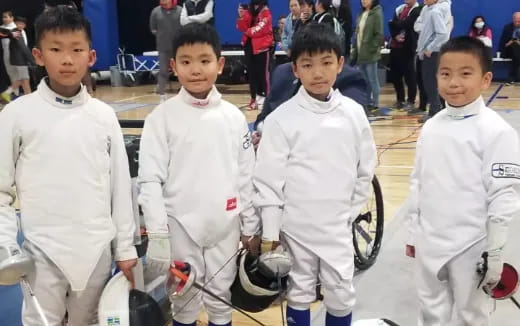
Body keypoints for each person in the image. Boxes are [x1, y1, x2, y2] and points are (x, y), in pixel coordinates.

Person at [0, 6, 137, 325]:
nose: (66, 59)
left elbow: (121, 186)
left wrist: (126, 248)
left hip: (96, 251)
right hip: (41, 252)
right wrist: (6, 244)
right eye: (56, 49)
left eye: (76, 50)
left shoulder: (103, 116)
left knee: (89, 321)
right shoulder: (17, 115)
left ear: (90, 56)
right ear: (37, 54)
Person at [253, 23, 376, 326]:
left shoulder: (353, 113)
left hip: (336, 226)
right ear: (295, 69)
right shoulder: (281, 119)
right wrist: (270, 233)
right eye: (308, 65)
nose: (318, 73)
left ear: (340, 64)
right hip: (296, 229)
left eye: (326, 63)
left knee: (341, 292)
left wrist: (348, 213)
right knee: (299, 291)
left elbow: (365, 170)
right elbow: (268, 182)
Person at [138, 23, 260, 326]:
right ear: (173, 66)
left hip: (225, 222)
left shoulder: (233, 117)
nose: (195, 69)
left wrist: (250, 226)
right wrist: (157, 234)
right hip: (180, 224)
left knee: (221, 299)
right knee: (184, 300)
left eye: (204, 60)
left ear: (219, 64)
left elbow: (246, 174)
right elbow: (150, 179)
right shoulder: (161, 119)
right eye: (186, 61)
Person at [406, 36, 520, 326]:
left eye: (465, 73)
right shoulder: (432, 127)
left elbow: (504, 195)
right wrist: (412, 233)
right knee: (430, 313)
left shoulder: (497, 132)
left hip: (471, 245)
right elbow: (418, 181)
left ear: (485, 79)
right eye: (445, 74)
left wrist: (494, 250)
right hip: (430, 241)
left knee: (471, 316)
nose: (454, 82)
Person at [414, 0, 449, 123]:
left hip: (433, 53)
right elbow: (417, 25)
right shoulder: (428, 9)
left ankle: (434, 112)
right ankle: (436, 110)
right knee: (431, 83)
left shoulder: (435, 12)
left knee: (430, 84)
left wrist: (430, 47)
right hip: (432, 52)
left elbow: (442, 33)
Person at [236, 0, 273, 111]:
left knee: (263, 76)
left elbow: (259, 30)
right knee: (252, 75)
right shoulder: (250, 10)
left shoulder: (266, 12)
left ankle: (265, 101)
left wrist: (248, 31)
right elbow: (241, 27)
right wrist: (241, 16)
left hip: (261, 48)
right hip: (249, 47)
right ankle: (254, 100)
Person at [388, 0, 421, 110]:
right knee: (395, 75)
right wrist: (395, 35)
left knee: (409, 75)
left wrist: (394, 23)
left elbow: (407, 24)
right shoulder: (400, 9)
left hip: (408, 48)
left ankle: (411, 100)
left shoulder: (417, 10)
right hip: (395, 46)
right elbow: (392, 26)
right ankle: (400, 99)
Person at [352, 0, 383, 111]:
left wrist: (372, 48)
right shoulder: (361, 13)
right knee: (364, 80)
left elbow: (378, 34)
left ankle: (375, 103)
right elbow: (358, 33)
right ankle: (366, 101)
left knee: (372, 79)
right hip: (361, 52)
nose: (364, 1)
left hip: (370, 53)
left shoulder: (376, 13)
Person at [150, 0, 181, 102]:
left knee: (180, 70)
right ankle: (162, 94)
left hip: (178, 47)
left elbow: (184, 26)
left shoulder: (180, 11)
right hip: (163, 47)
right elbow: (153, 28)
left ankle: (184, 93)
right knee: (163, 70)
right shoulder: (156, 11)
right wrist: (160, 35)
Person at [498, 12, 520, 86]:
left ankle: (512, 77)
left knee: (516, 54)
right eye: (516, 21)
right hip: (509, 50)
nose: (517, 23)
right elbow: (503, 43)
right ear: (513, 19)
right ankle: (512, 77)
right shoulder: (507, 27)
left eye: (519, 21)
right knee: (514, 45)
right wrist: (510, 42)